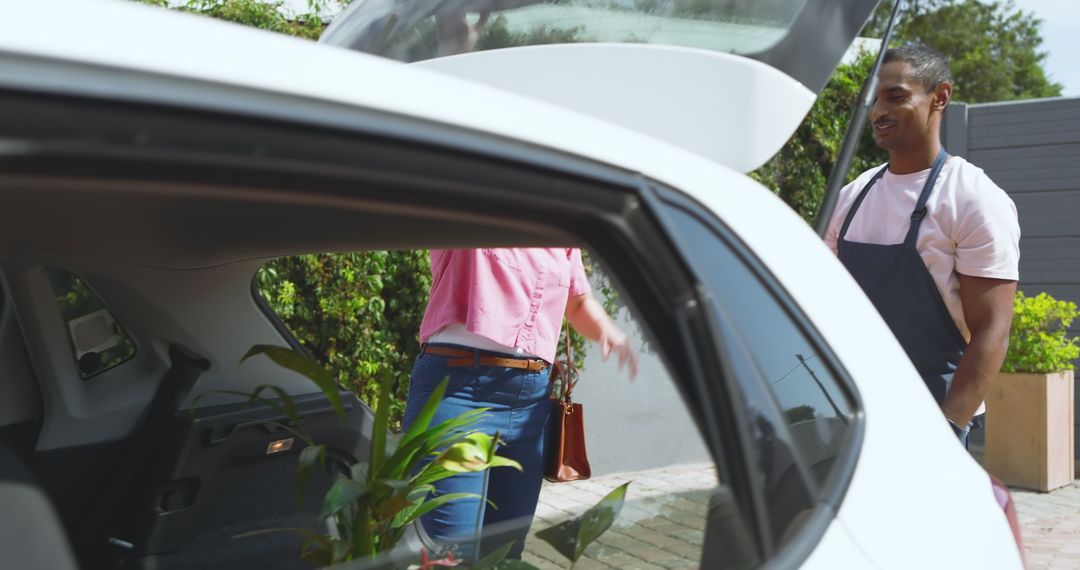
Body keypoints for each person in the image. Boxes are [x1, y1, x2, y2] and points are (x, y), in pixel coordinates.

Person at [824, 43, 1020, 446]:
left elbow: (992, 331)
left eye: (895, 97)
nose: (878, 112)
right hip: (848, 407)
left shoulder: (973, 198)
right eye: (875, 100)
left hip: (933, 414)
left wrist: (947, 431)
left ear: (940, 97)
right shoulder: (851, 196)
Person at [403, 247, 637, 559]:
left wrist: (608, 329)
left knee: (505, 556)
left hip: (529, 405)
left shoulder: (557, 229)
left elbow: (578, 302)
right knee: (450, 554)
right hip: (458, 393)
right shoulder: (483, 204)